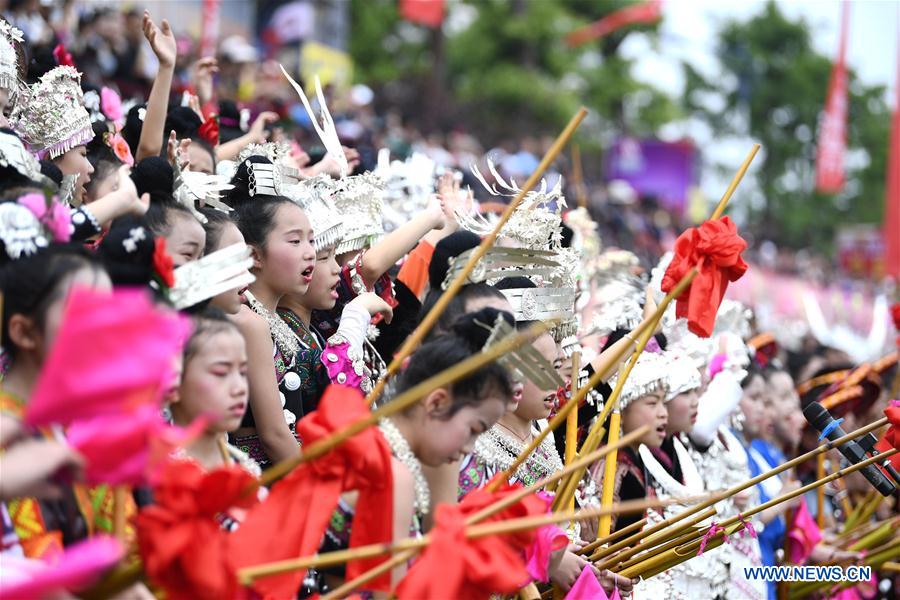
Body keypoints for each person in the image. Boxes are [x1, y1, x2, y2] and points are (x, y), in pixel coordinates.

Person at [313, 311, 514, 596]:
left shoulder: (374, 446)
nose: (469, 447)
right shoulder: (392, 476)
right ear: (436, 402)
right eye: (473, 429)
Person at [171, 309, 258, 476]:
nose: (239, 388)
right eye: (221, 373)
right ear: (175, 377)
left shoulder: (243, 465)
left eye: (243, 372)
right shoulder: (151, 478)